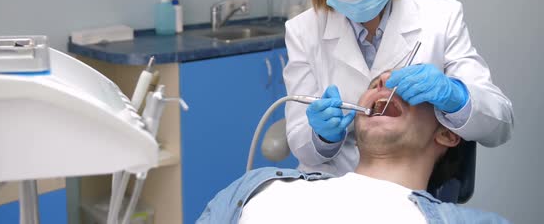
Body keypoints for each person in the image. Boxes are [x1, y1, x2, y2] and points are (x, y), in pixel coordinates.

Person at [283, 0, 514, 175]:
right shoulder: (302, 31)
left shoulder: (441, 17)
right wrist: (322, 136)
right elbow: (300, 142)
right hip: (329, 186)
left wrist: (456, 98)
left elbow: (499, 125)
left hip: (405, 190)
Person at [196, 72, 510, 223]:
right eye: (376, 85)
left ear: (447, 134)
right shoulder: (260, 185)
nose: (384, 86)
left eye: (406, 86)